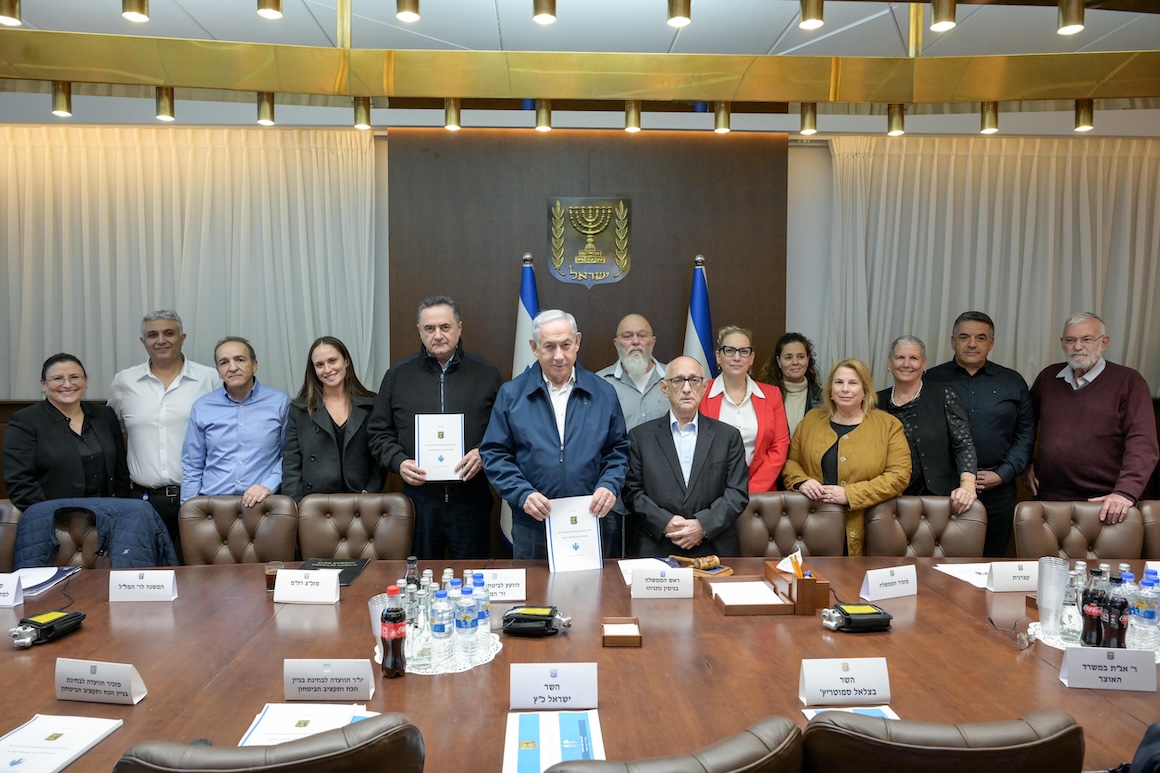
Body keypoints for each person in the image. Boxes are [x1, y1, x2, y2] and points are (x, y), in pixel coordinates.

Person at [480, 309, 629, 560]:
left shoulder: (604, 393)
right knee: (535, 597)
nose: (559, 355)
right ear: (534, 347)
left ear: (577, 342)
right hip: (533, 524)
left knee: (588, 597)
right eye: (549, 346)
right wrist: (522, 493)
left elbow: (618, 450)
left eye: (566, 345)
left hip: (589, 520)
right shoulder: (512, 395)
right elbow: (494, 454)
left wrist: (609, 485)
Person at [367, 296, 502, 559]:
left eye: (445, 327)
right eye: (429, 328)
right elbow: (378, 433)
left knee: (470, 580)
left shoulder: (486, 375)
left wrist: (483, 452)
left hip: (471, 501)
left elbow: (505, 431)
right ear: (419, 331)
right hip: (418, 504)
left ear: (459, 328)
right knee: (422, 581)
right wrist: (399, 461)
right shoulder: (397, 376)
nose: (437, 335)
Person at [1026, 312, 1159, 524]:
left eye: (1087, 339)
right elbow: (1025, 425)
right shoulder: (1049, 378)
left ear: (1104, 343)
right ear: (1063, 343)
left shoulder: (1128, 382)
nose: (1078, 346)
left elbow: (1143, 442)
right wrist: (1027, 462)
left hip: (1105, 501)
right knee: (1046, 558)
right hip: (1049, 497)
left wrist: (1125, 492)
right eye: (1070, 340)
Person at [108, 310, 218, 558]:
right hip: (144, 499)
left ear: (183, 337)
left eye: (169, 333)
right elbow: (116, 433)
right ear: (143, 341)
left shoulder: (210, 379)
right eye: (152, 335)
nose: (161, 340)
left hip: (200, 497)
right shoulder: (124, 382)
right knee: (149, 573)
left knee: (204, 574)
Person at [926, 311, 1035, 557]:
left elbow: (1026, 434)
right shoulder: (931, 380)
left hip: (998, 490)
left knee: (992, 559)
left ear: (991, 343)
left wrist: (1003, 473)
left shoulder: (1012, 381)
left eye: (981, 337)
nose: (972, 344)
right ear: (952, 341)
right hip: (944, 489)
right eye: (964, 337)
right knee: (941, 562)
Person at [781, 359, 910, 556]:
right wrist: (801, 481)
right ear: (831, 390)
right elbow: (791, 463)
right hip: (813, 526)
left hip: (868, 528)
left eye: (853, 383)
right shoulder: (810, 420)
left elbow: (899, 476)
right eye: (839, 382)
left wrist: (850, 495)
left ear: (865, 390)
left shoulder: (889, 425)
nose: (845, 389)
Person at [624, 357, 749, 558]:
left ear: (704, 387)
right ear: (664, 388)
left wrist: (703, 525)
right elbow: (632, 492)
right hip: (657, 546)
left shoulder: (728, 437)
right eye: (678, 380)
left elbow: (736, 493)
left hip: (713, 548)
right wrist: (664, 522)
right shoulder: (640, 437)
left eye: (693, 380)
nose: (686, 388)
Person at [4, 353, 131, 512]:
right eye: (58, 378)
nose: (67, 384)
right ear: (43, 384)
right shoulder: (26, 421)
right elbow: (20, 482)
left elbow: (121, 471)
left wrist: (119, 509)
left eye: (74, 377)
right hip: (52, 519)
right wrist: (55, 515)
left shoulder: (105, 416)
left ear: (86, 382)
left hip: (109, 514)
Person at [181, 337, 289, 506]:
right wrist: (188, 509)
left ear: (254, 365)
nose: (232, 368)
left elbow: (289, 456)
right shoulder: (202, 407)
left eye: (240, 360)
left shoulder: (280, 403)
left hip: (263, 503)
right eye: (224, 362)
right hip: (213, 504)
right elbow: (192, 465)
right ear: (217, 370)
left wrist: (268, 486)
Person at [596, 313, 669, 557]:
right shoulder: (599, 384)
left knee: (658, 569)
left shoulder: (676, 379)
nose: (635, 341)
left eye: (642, 335)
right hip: (614, 497)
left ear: (653, 341)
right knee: (612, 569)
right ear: (617, 343)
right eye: (627, 337)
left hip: (664, 497)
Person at [878, 335, 977, 513]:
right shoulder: (876, 402)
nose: (906, 364)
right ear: (890, 361)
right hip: (888, 499)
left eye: (914, 358)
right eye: (900, 357)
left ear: (924, 363)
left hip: (938, 499)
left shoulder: (944, 395)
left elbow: (963, 444)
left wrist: (968, 485)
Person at [283, 336, 385, 502]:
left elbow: (379, 455)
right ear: (313, 370)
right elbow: (291, 463)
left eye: (332, 361)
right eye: (319, 365)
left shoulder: (371, 404)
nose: (327, 369)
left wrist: (372, 490)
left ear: (346, 361)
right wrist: (296, 505)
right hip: (315, 503)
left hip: (361, 499)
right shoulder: (300, 409)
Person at [699, 326, 790, 493]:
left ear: (752, 358)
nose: (737, 357)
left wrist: (750, 491)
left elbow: (780, 446)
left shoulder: (771, 395)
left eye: (743, 351)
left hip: (759, 496)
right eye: (729, 350)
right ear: (718, 357)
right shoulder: (700, 393)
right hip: (711, 493)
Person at [757, 332, 823, 438]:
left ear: (808, 359)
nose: (795, 362)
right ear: (779, 361)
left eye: (800, 357)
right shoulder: (763, 396)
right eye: (788, 357)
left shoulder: (822, 398)